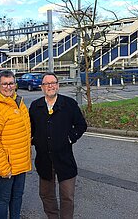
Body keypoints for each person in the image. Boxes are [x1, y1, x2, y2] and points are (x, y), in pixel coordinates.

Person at [29, 72, 87, 219]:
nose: (50, 86)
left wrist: (70, 138)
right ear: (42, 87)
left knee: (67, 196)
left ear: (58, 85)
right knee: (46, 195)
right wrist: (36, 140)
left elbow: (81, 125)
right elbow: (30, 129)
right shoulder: (36, 106)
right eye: (47, 84)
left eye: (53, 83)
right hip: (44, 160)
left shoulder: (69, 104)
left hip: (65, 158)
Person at [0, 70, 32, 219]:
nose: (8, 87)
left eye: (11, 83)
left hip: (20, 163)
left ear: (15, 84)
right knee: (3, 199)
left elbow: (26, 132)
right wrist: (3, 167)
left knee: (17, 197)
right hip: (5, 165)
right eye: (4, 84)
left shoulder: (19, 102)